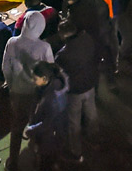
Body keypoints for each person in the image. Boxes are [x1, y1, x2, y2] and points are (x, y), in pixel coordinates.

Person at [2, 9, 54, 171]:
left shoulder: (12, 42)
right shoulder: (44, 47)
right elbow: (50, 70)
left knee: (16, 127)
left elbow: (5, 68)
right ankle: (38, 161)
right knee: (37, 125)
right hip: (36, 95)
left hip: (17, 93)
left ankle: (13, 162)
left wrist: (11, 85)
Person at [54, 19, 97, 160]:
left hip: (75, 90)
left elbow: (58, 71)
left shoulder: (62, 55)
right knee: (91, 113)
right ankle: (93, 138)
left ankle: (76, 150)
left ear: (63, 35)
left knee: (74, 121)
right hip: (90, 84)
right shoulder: (87, 39)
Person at [23, 61, 68, 171]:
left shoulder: (51, 98)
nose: (33, 81)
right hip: (50, 134)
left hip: (49, 137)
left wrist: (30, 130)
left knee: (45, 161)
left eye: (35, 79)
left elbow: (47, 123)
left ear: (44, 78)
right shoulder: (49, 86)